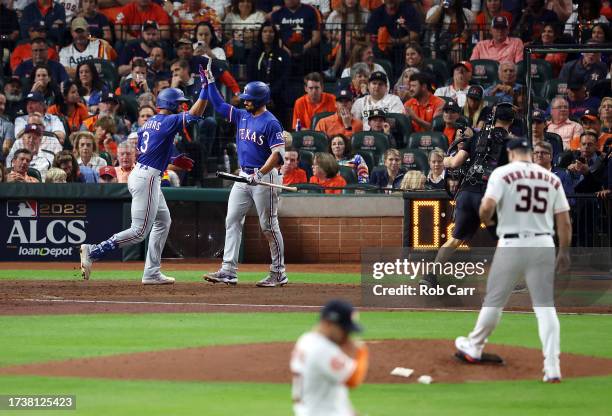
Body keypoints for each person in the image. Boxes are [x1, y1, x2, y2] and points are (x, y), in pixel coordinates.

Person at [455, 138, 571, 384]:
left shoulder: (503, 173)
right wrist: (565, 252)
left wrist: (491, 224)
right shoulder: (552, 179)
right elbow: (564, 222)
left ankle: (475, 346)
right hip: (543, 244)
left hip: (511, 243)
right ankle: (552, 367)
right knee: (545, 308)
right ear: (530, 153)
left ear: (510, 152)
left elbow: (485, 208)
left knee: (494, 302)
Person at [80, 81, 208, 283]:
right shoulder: (169, 120)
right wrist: (205, 89)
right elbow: (194, 113)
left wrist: (172, 160)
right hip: (147, 178)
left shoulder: (147, 124)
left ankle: (152, 272)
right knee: (139, 232)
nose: (182, 106)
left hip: (145, 174)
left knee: (163, 221)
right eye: (179, 103)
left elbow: (148, 151)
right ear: (171, 104)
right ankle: (94, 251)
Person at [202, 61, 288, 288]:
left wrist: (260, 173)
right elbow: (219, 106)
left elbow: (278, 156)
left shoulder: (271, 122)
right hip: (243, 177)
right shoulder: (242, 115)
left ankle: (278, 272)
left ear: (260, 100)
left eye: (249, 98)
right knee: (231, 219)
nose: (244, 100)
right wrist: (211, 82)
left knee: (268, 225)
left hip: (264, 178)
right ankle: (228, 270)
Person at [421, 102, 515, 288]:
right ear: (511, 121)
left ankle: (431, 275)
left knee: (455, 239)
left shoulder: (477, 136)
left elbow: (455, 162)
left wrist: (444, 160)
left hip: (466, 194)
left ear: (494, 118)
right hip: (488, 195)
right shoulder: (512, 143)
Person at [291, 299, 368, 416]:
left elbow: (331, 390)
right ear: (328, 324)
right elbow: (353, 379)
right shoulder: (323, 349)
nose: (347, 336)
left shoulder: (306, 339)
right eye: (344, 330)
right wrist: (362, 351)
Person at [247, 22, 291, 126]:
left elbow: (284, 76)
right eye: (265, 31)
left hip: (277, 97)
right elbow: (250, 76)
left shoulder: (283, 54)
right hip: (257, 97)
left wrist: (270, 94)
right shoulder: (254, 54)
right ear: (261, 34)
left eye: (271, 32)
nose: (268, 34)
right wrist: (262, 96)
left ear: (275, 35)